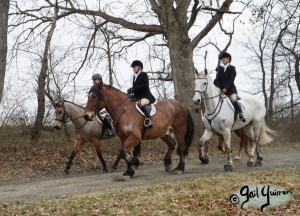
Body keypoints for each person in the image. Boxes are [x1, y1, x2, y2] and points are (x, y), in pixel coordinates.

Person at [214, 52, 246, 122]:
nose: (222, 60)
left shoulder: (232, 68)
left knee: (233, 99)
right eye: (222, 59)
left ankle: (241, 113)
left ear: (228, 59)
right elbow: (217, 80)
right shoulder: (220, 69)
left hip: (231, 90)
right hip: (221, 91)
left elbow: (231, 80)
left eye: (224, 58)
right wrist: (218, 87)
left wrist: (226, 88)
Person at [127, 60, 155, 128]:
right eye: (133, 68)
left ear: (139, 67)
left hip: (146, 96)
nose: (133, 69)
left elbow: (144, 86)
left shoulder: (143, 74)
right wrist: (131, 91)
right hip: (138, 97)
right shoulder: (134, 77)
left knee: (142, 104)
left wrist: (133, 89)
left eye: (134, 67)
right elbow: (136, 88)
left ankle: (148, 120)